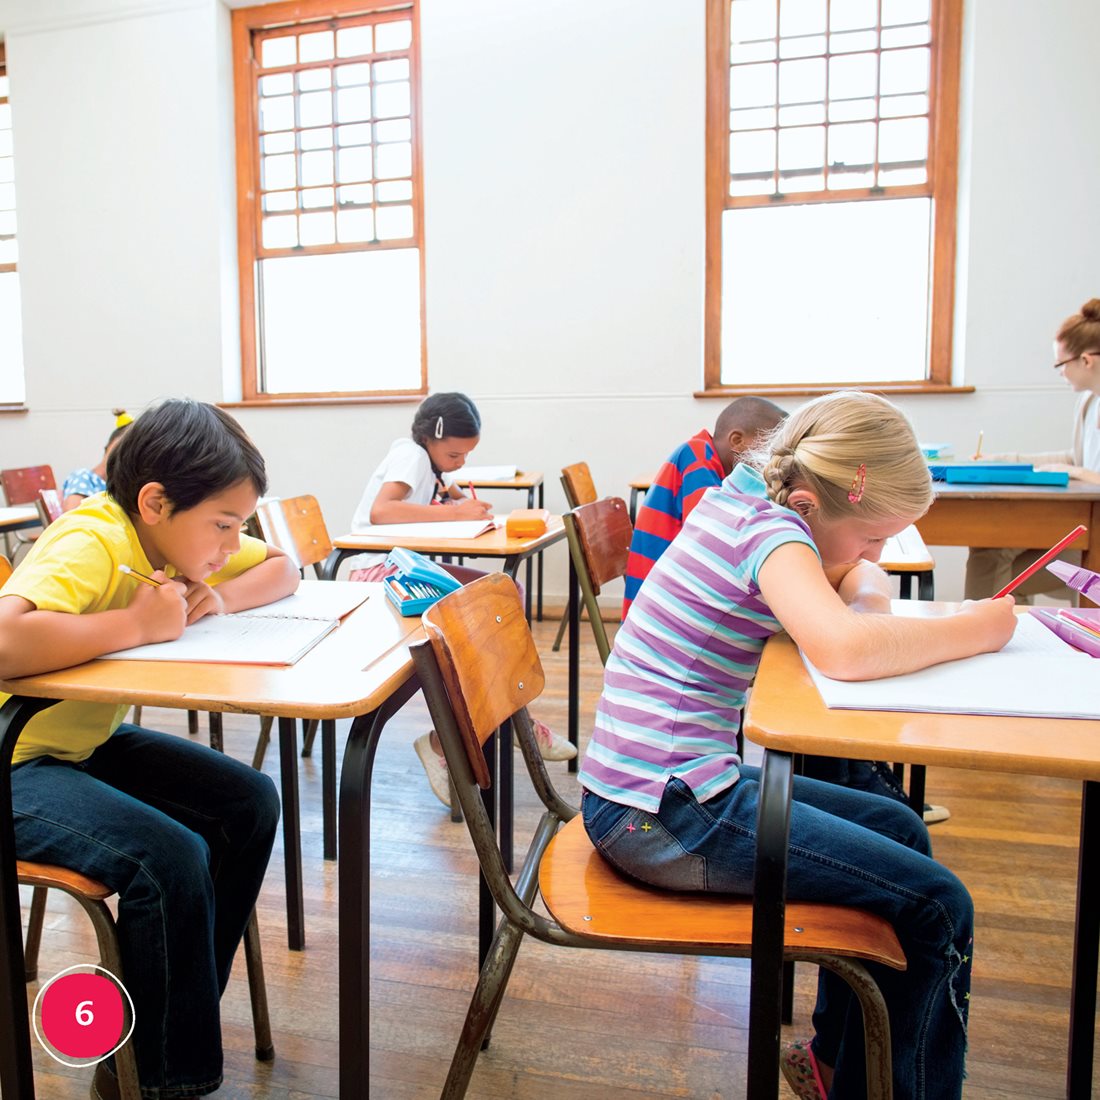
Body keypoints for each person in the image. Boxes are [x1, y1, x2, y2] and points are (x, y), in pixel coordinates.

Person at [578, 391, 1017, 1100]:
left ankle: (837, 1067)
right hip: (663, 814)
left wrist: (866, 584)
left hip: (665, 788)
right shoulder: (769, 532)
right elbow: (843, 647)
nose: (878, 554)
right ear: (811, 504)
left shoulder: (752, 497)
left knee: (898, 825)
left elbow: (852, 582)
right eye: (874, 536)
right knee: (939, 906)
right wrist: (979, 626)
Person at [0, 399, 301, 1100]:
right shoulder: (94, 538)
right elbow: (6, 644)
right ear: (156, 501)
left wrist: (214, 599)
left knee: (247, 802)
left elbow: (284, 568)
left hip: (76, 739)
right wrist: (136, 624)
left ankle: (173, 1010)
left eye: (239, 526)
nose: (231, 546)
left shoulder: (168, 538)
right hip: (15, 757)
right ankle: (161, 1078)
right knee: (165, 857)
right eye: (222, 527)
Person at [348, 392, 575, 808]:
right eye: (455, 453)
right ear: (431, 438)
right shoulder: (412, 456)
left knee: (504, 594)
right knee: (486, 608)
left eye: (466, 456)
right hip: (376, 574)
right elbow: (382, 512)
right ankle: (492, 726)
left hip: (404, 569)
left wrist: (459, 500)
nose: (460, 463)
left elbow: (447, 492)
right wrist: (454, 513)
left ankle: (502, 718)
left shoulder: (429, 465)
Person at [965, 298, 1100, 601]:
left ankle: (978, 629)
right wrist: (1001, 461)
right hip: (1079, 522)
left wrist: (1074, 472)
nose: (1060, 374)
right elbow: (1073, 459)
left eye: (1060, 365)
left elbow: (1077, 468)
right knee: (988, 546)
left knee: (993, 563)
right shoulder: (1089, 402)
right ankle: (991, 630)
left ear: (1086, 361)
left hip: (1093, 534)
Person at [622, 396, 786, 619]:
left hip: (665, 597)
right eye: (768, 448)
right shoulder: (697, 458)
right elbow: (714, 538)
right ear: (736, 440)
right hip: (659, 608)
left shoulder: (710, 462)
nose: (771, 459)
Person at [61, 408, 134, 511]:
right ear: (108, 445)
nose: (123, 453)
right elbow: (71, 517)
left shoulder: (122, 490)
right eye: (121, 445)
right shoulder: (83, 477)